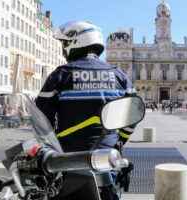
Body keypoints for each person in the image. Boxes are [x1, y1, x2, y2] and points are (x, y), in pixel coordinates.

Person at [36, 21, 136, 199]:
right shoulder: (120, 76)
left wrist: (52, 145)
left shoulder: (61, 74)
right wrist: (117, 141)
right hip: (106, 158)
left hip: (69, 159)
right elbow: (133, 116)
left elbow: (41, 119)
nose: (63, 48)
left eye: (65, 43)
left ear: (75, 42)